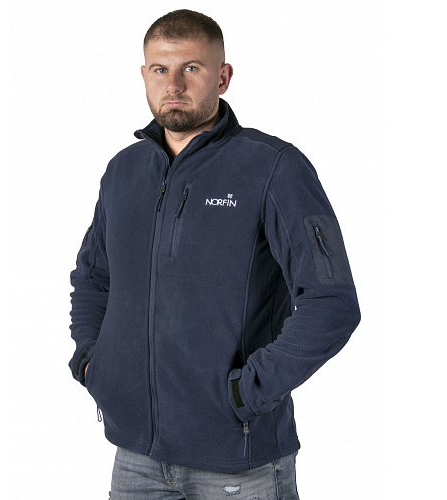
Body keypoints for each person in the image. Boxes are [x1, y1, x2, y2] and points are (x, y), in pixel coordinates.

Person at [68, 9, 361, 499]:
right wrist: (93, 364)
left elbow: (332, 303)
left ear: (223, 77)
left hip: (239, 462)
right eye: (160, 69)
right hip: (136, 458)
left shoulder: (275, 168)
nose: (174, 85)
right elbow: (94, 277)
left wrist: (247, 392)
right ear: (144, 75)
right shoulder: (123, 171)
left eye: (192, 68)